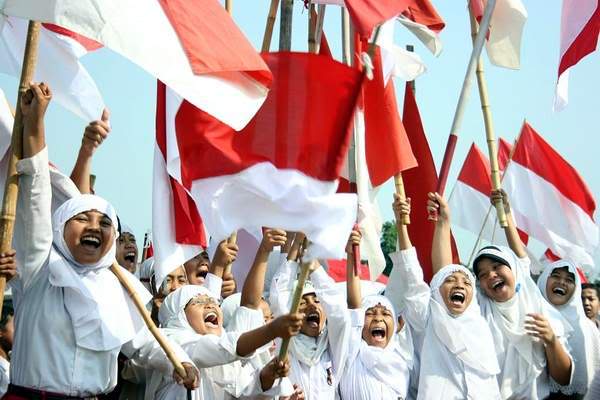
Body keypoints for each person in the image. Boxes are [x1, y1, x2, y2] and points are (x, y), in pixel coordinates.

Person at [5, 82, 198, 398]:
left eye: (105, 222)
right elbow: (37, 193)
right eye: (82, 218)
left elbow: (144, 343)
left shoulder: (118, 288)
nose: (94, 226)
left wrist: (180, 362)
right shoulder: (38, 265)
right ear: (59, 229)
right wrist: (35, 122)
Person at [388, 194, 501, 399]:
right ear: (436, 290)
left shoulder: (480, 325)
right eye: (451, 280)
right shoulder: (429, 318)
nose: (459, 284)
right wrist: (403, 225)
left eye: (467, 282)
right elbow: (412, 274)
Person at [467, 189, 573, 399]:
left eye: (498, 267)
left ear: (514, 271)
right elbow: (446, 278)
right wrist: (442, 224)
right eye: (483, 274)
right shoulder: (480, 310)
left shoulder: (538, 310)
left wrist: (551, 341)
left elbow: (563, 378)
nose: (491, 275)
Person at [147, 285, 302, 399]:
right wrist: (271, 330)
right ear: (178, 315)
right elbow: (220, 349)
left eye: (213, 301)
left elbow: (244, 391)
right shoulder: (170, 339)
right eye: (198, 302)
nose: (210, 305)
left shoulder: (225, 361)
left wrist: (267, 376)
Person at [269, 234, 354, 400]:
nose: (312, 306)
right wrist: (296, 245)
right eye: (302, 303)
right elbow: (279, 297)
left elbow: (339, 313)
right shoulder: (285, 344)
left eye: (317, 301)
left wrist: (314, 266)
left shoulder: (331, 348)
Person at [339, 228, 415, 399]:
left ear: (395, 327)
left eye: (386, 314)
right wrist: (352, 254)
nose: (378, 317)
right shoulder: (352, 352)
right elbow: (353, 304)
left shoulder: (402, 364)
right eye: (371, 313)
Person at [538, 260, 600, 398]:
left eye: (569, 279)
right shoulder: (528, 312)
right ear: (544, 279)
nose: (562, 282)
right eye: (556, 276)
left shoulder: (588, 329)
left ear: (576, 288)